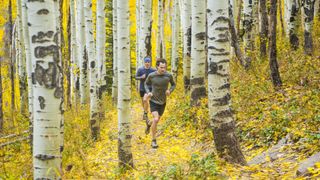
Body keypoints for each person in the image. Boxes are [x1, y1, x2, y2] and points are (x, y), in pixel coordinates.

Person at [144, 58, 176, 148]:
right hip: (153, 101)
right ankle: (154, 141)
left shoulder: (168, 75)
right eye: (161, 67)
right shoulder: (152, 75)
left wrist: (170, 90)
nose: (163, 69)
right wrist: (148, 92)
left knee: (155, 121)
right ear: (157, 66)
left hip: (163, 102)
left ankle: (149, 124)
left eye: (165, 67)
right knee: (156, 119)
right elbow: (146, 84)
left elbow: (173, 84)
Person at [135, 57, 156, 121]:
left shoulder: (153, 70)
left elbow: (157, 76)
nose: (147, 63)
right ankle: (145, 112)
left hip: (149, 88)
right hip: (142, 88)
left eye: (148, 62)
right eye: (146, 62)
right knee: (143, 101)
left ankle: (145, 114)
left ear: (150, 63)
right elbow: (136, 77)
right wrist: (141, 77)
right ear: (144, 62)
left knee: (145, 100)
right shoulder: (140, 69)